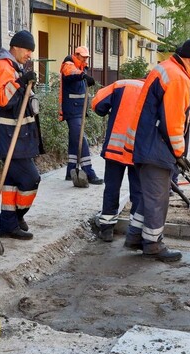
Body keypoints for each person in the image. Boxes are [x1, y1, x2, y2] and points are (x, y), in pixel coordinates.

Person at [124, 38, 190, 262]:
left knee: (148, 196)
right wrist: (180, 153)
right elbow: (173, 122)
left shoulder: (167, 69)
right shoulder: (178, 78)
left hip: (146, 143)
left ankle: (135, 235)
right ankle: (153, 244)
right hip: (157, 147)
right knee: (158, 198)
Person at [0, 30, 41, 240]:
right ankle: (17, 216)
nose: (29, 55)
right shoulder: (2, 66)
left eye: (31, 51)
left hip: (17, 137)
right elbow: (2, 100)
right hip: (8, 138)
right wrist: (21, 82)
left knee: (12, 182)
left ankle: (8, 225)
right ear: (15, 47)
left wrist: (25, 83)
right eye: (27, 50)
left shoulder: (15, 67)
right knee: (31, 178)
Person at [91, 79, 144, 242]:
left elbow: (97, 104)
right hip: (138, 150)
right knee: (138, 191)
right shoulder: (152, 89)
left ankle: (106, 229)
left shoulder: (121, 85)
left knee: (112, 188)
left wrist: (110, 110)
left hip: (115, 148)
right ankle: (135, 233)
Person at [59, 46, 103, 185]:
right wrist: (83, 75)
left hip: (79, 110)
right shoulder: (69, 64)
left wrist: (84, 73)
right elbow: (72, 73)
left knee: (74, 140)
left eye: (86, 57)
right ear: (76, 55)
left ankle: (70, 171)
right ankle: (89, 172)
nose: (85, 59)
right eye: (83, 57)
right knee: (80, 139)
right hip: (72, 110)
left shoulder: (82, 67)